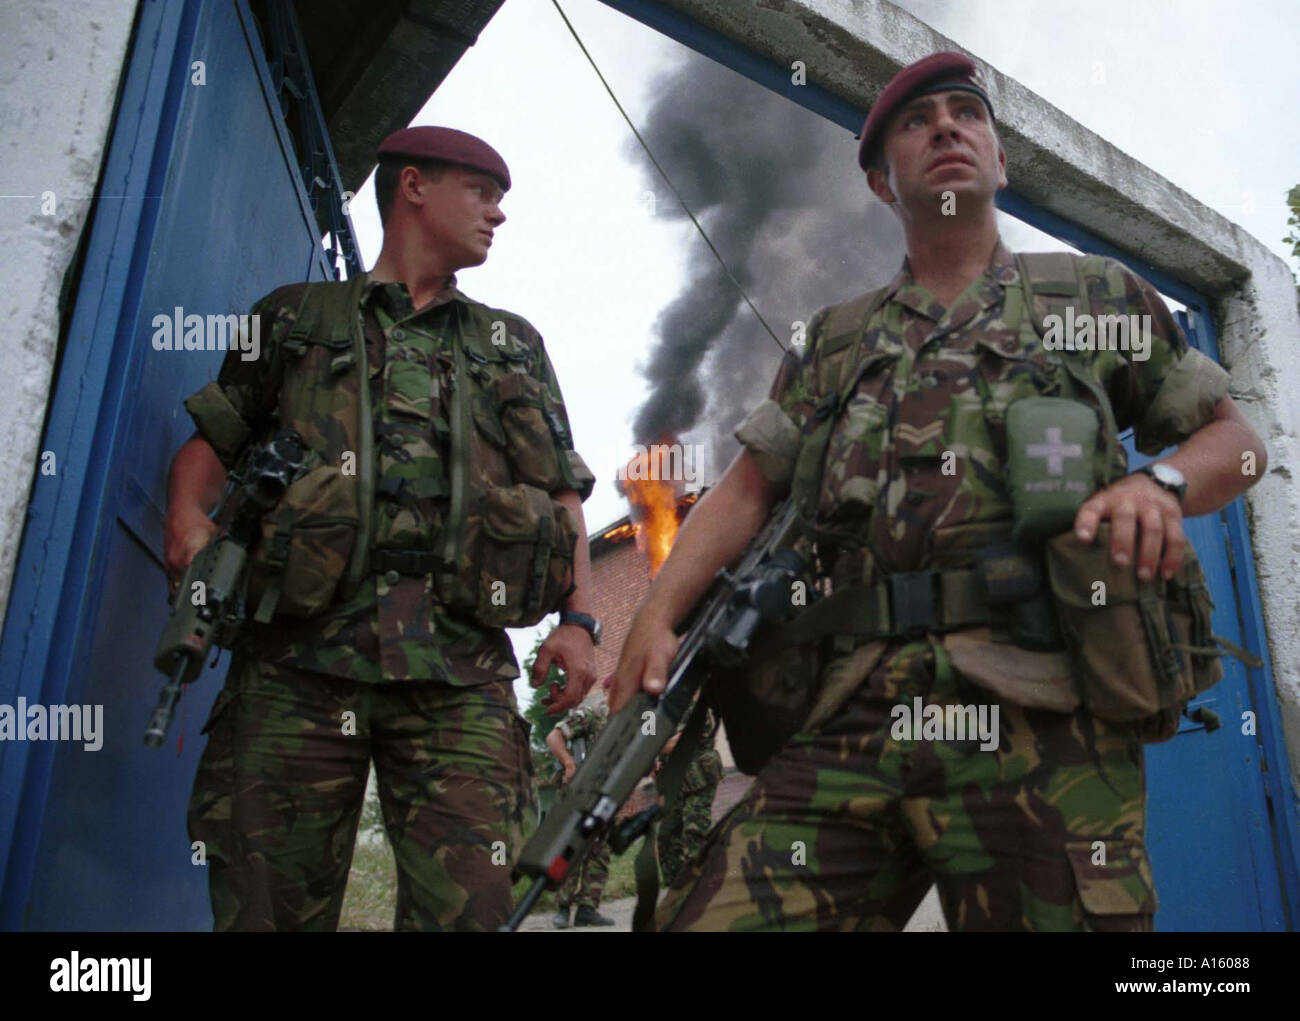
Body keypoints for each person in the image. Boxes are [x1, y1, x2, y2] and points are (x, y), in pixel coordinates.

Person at [610, 53, 1267, 931]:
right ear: (882, 182)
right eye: (917, 123)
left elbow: (1242, 444)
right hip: (856, 717)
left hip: (1044, 717)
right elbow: (747, 488)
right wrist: (654, 616)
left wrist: (1162, 484)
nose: (948, 128)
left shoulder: (1093, 296)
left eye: (968, 114)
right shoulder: (835, 342)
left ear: (998, 161)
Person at [164, 126, 601, 931]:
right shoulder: (293, 317)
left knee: (478, 906)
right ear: (413, 187)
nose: (498, 215)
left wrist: (577, 621)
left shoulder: (512, 343)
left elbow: (561, 492)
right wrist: (188, 524)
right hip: (296, 658)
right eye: (481, 192)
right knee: (264, 909)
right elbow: (213, 441)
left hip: (459, 670)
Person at [546, 682, 617, 927]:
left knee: (600, 852)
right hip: (581, 792)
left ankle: (588, 908)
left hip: (606, 794)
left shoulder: (630, 716)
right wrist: (568, 764)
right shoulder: (594, 710)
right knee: (572, 848)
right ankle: (563, 908)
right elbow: (554, 736)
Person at [655, 713, 724, 886]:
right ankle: (675, 887)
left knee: (694, 831)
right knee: (667, 834)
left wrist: (650, 750)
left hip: (700, 776)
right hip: (676, 781)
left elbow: (679, 740)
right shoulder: (657, 710)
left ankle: (700, 883)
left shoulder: (695, 708)